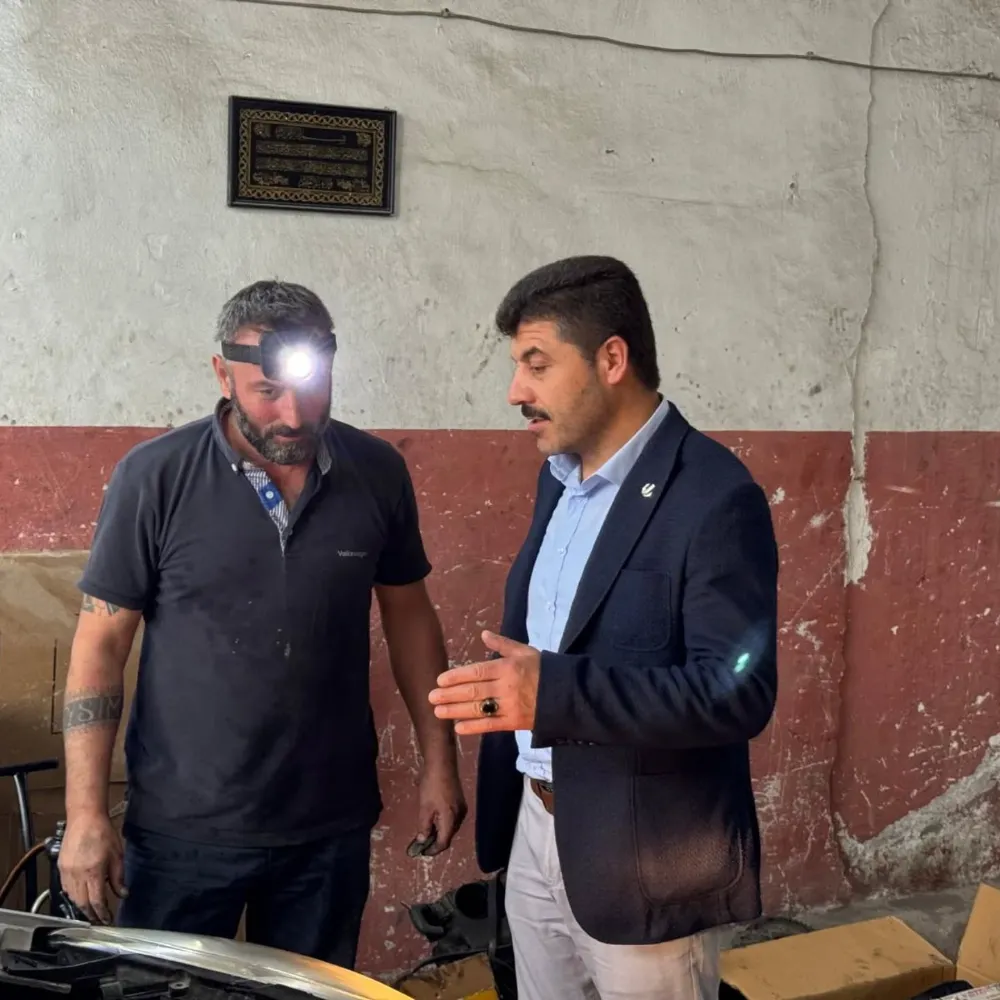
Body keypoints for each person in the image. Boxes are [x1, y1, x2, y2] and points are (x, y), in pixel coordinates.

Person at [58, 280, 466, 969]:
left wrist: (439, 765)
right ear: (223, 375)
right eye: (267, 391)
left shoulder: (378, 474)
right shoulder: (155, 477)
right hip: (183, 832)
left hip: (326, 830)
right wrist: (87, 815)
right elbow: (100, 645)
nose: (293, 414)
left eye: (311, 388)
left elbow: (411, 622)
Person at [429, 256, 779, 1000]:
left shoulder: (714, 496)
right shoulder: (558, 480)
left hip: (643, 858)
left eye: (537, 364)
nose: (516, 391)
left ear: (612, 360)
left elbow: (737, 693)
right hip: (536, 826)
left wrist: (552, 694)